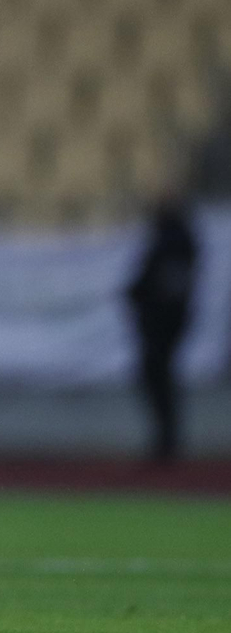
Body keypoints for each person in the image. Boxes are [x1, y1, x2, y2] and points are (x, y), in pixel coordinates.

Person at [126, 193, 199, 465]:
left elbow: (160, 283)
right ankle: (166, 439)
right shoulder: (183, 241)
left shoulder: (171, 243)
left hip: (162, 321)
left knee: (157, 376)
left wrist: (138, 294)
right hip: (169, 319)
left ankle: (166, 441)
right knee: (159, 377)